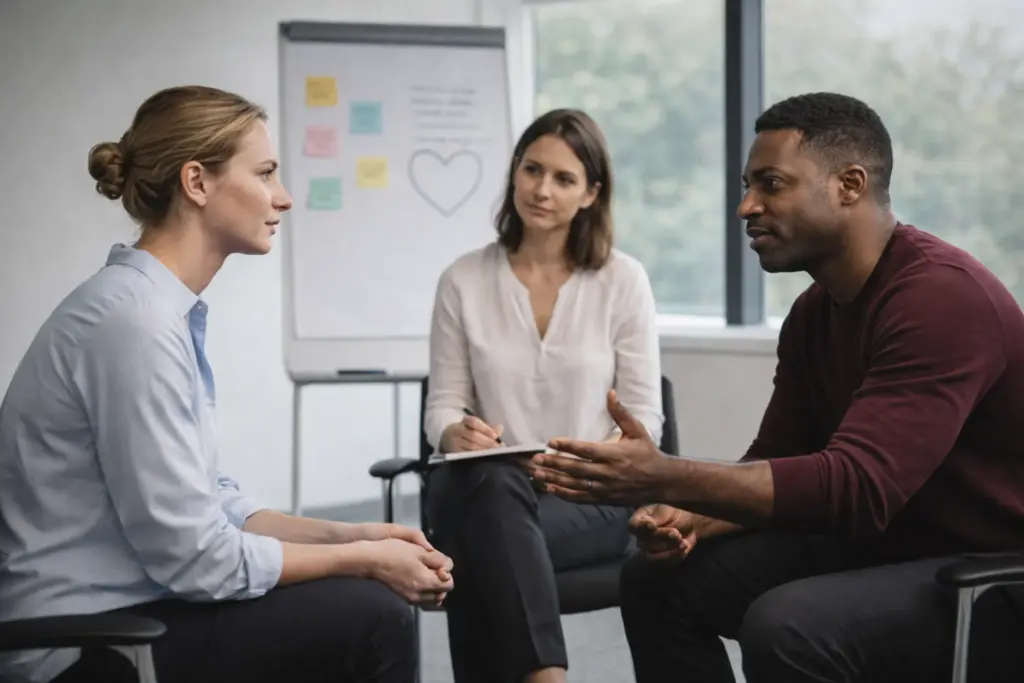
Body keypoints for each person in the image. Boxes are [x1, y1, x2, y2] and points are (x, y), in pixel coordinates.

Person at [528, 92, 1024, 683]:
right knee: (654, 577)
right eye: (747, 185)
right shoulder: (814, 312)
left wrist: (661, 475)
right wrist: (691, 516)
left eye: (771, 184)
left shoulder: (941, 299)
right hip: (885, 545)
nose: (745, 207)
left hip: (992, 575)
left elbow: (860, 487)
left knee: (785, 624)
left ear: (850, 185)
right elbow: (779, 461)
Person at [0, 85, 454, 683]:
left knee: (360, 600)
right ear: (197, 183)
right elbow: (197, 560)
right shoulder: (133, 323)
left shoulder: (149, 308)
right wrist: (361, 560)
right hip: (84, 642)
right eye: (265, 173)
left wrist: (354, 533)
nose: (284, 198)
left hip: (129, 609)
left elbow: (213, 503)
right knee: (373, 616)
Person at [422, 108, 663, 683]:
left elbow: (643, 417)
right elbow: (443, 406)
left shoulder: (623, 281)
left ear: (590, 194)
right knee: (495, 493)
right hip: (494, 480)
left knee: (480, 546)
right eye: (532, 169)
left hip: (589, 491)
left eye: (563, 179)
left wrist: (583, 464)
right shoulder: (463, 279)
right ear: (514, 173)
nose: (542, 189)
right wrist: (455, 432)